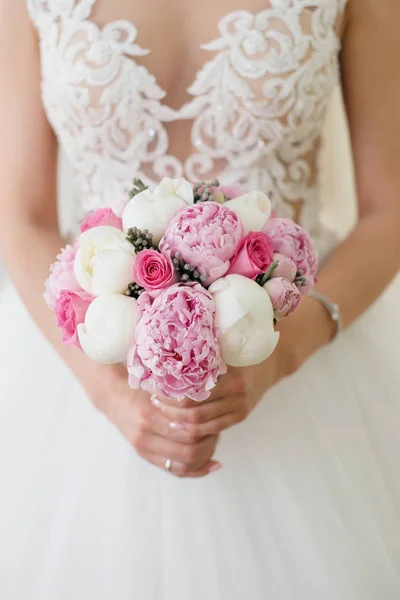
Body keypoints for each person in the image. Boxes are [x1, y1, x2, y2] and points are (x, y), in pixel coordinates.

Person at [0, 1, 399, 598]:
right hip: (86, 377)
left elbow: (390, 209)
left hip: (302, 361)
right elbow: (20, 215)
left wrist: (282, 354)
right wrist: (109, 393)